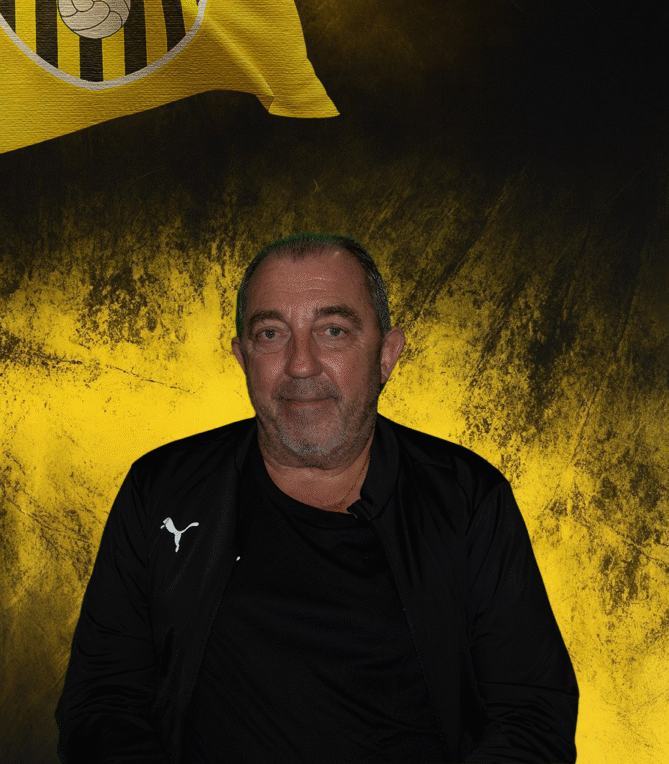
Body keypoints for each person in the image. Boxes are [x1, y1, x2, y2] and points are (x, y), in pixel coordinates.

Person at [56, 233, 578, 764]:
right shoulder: (163, 489)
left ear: (387, 355)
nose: (300, 364)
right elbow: (101, 705)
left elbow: (533, 719)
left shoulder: (465, 499)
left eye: (333, 331)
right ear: (242, 357)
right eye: (270, 333)